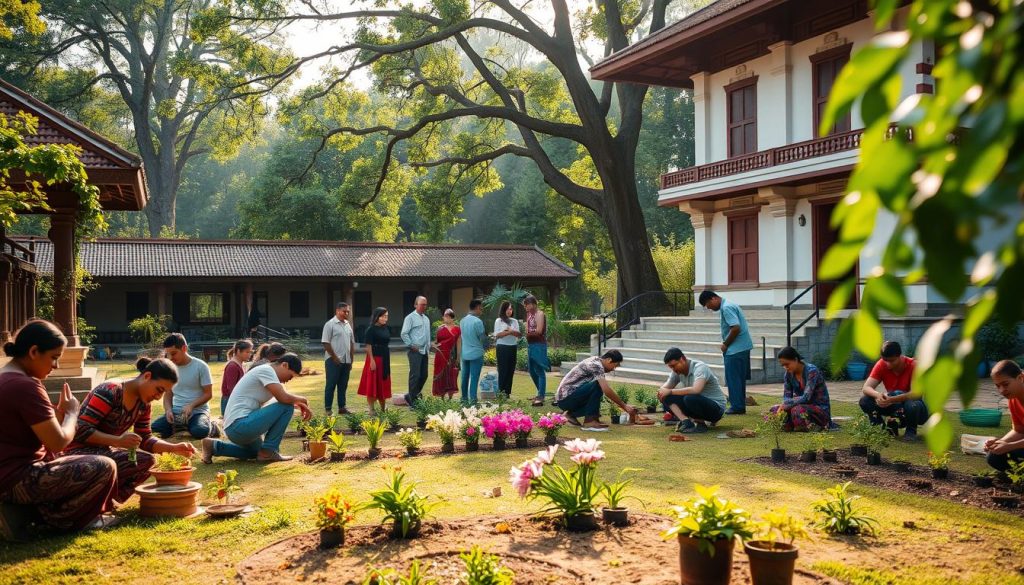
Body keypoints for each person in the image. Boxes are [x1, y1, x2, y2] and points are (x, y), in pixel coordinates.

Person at [0, 320, 116, 532]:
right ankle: (52, 520)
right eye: (54, 358)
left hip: (9, 476)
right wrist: (73, 412)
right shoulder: (25, 386)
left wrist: (60, 416)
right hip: (16, 480)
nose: (56, 366)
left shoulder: (7, 379)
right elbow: (58, 442)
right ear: (34, 351)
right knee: (105, 465)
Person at [65, 358, 196, 504]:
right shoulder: (110, 391)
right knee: (110, 463)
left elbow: (145, 438)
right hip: (76, 452)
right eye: (159, 390)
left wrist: (173, 448)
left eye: (163, 393)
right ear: (147, 376)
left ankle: (109, 502)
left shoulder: (144, 405)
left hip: (104, 453)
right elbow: (81, 430)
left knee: (147, 461)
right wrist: (118, 441)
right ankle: (94, 504)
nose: (159, 397)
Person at [201, 354, 311, 463]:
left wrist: (296, 403)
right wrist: (303, 400)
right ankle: (269, 451)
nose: (288, 380)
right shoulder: (267, 370)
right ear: (284, 365)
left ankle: (213, 446)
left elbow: (277, 403)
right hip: (239, 425)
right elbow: (283, 399)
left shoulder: (270, 376)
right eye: (290, 376)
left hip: (235, 427)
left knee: (255, 452)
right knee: (286, 406)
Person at [858, 341, 928, 440]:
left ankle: (911, 431)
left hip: (915, 407)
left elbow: (915, 394)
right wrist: (878, 395)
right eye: (885, 360)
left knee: (912, 404)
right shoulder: (881, 364)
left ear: (900, 356)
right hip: (894, 403)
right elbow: (866, 387)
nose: (887, 364)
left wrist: (891, 399)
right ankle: (882, 429)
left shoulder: (914, 365)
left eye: (891, 361)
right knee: (865, 401)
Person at [698, 291, 754, 415]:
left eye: (708, 304)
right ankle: (739, 404)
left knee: (733, 378)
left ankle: (737, 406)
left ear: (713, 298)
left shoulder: (727, 307)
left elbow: (735, 328)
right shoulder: (729, 304)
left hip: (735, 349)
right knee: (739, 379)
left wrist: (725, 344)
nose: (709, 308)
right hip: (742, 347)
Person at [151, 333, 215, 439]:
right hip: (177, 412)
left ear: (184, 348)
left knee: (200, 431)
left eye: (174, 353)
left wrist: (191, 406)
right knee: (154, 429)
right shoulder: (169, 368)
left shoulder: (201, 366)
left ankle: (212, 426)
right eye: (168, 354)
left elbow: (208, 394)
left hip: (198, 412)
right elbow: (168, 395)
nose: (170, 358)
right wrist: (168, 411)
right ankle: (182, 425)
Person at [554, 350, 636, 428]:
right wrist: (624, 406)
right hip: (566, 398)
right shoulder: (596, 365)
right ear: (609, 360)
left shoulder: (596, 361)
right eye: (614, 366)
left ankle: (570, 414)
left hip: (566, 398)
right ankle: (590, 421)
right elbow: (606, 390)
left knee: (596, 393)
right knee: (598, 385)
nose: (613, 369)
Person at [658, 348, 727, 434]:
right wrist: (661, 392)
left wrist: (670, 391)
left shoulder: (700, 367)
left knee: (690, 398)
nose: (673, 369)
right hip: (696, 403)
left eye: (674, 365)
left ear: (682, 359)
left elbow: (696, 390)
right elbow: (664, 389)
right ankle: (686, 422)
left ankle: (701, 424)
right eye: (670, 367)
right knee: (666, 397)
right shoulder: (676, 372)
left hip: (716, 408)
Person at [768, 347, 833, 431]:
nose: (785, 367)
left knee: (797, 410)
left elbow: (806, 397)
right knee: (774, 409)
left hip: (819, 409)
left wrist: (787, 404)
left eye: (787, 364)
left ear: (795, 359)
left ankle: (815, 426)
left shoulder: (812, 371)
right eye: (783, 366)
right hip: (800, 405)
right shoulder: (788, 375)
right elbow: (786, 397)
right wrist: (784, 406)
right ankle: (793, 425)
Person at [985, 360, 1024, 472]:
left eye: (1005, 384)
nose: (1002, 390)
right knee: (994, 456)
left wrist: (1010, 445)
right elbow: (1019, 431)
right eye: (998, 386)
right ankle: (1020, 478)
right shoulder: (1013, 400)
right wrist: (999, 443)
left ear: (1020, 378)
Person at [321, 302, 355, 416]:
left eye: (348, 312)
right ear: (337, 311)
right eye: (344, 311)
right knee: (331, 385)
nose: (346, 313)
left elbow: (351, 343)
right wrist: (334, 357)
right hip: (333, 360)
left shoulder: (347, 324)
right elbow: (325, 342)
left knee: (343, 385)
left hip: (346, 360)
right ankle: (328, 409)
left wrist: (351, 360)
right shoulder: (330, 324)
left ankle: (342, 407)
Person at [359, 308, 393, 415]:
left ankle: (383, 408)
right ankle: (371, 409)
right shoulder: (371, 329)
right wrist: (372, 361)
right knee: (372, 384)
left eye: (386, 316)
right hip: (375, 358)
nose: (385, 318)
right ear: (377, 316)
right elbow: (368, 346)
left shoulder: (386, 328)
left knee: (383, 383)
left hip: (385, 358)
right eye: (383, 316)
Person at [400, 296, 431, 405]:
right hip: (415, 351)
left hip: (425, 351)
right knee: (415, 375)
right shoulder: (410, 318)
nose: (424, 306)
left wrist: (430, 345)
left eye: (425, 304)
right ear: (415, 305)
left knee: (424, 375)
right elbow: (404, 333)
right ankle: (413, 400)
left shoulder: (426, 319)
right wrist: (411, 345)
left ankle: (411, 395)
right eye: (422, 304)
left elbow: (427, 335)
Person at [523, 295, 550, 407]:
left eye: (526, 305)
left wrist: (528, 334)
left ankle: (541, 395)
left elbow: (538, 331)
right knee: (531, 370)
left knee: (539, 370)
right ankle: (540, 392)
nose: (525, 307)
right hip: (531, 344)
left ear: (533, 304)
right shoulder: (529, 315)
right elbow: (527, 330)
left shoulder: (540, 314)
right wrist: (527, 335)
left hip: (539, 344)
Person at [459, 299, 487, 403]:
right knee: (474, 377)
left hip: (465, 353)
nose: (481, 311)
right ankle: (473, 400)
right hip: (476, 353)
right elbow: (483, 338)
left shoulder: (462, 321)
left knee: (464, 377)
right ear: (477, 307)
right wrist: (487, 345)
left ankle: (464, 399)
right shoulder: (477, 321)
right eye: (481, 308)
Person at [493, 301, 521, 398]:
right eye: (508, 309)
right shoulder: (498, 320)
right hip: (502, 347)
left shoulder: (514, 321)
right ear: (503, 310)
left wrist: (511, 331)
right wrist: (509, 332)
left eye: (511, 309)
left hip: (513, 347)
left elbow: (519, 334)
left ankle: (507, 393)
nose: (510, 311)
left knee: (510, 370)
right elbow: (497, 335)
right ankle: (501, 392)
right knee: (503, 370)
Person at [431, 309, 460, 398]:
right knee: (441, 375)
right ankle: (442, 395)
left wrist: (458, 357)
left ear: (452, 318)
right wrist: (433, 345)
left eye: (447, 316)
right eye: (444, 316)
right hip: (440, 355)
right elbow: (436, 342)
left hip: (451, 355)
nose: (444, 318)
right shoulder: (440, 328)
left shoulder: (457, 329)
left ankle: (450, 396)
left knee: (451, 374)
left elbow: (459, 344)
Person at [221, 339, 253, 415]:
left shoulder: (240, 364)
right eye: (247, 352)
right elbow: (231, 389)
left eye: (250, 352)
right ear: (238, 351)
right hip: (230, 401)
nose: (249, 354)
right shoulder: (232, 366)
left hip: (236, 400)